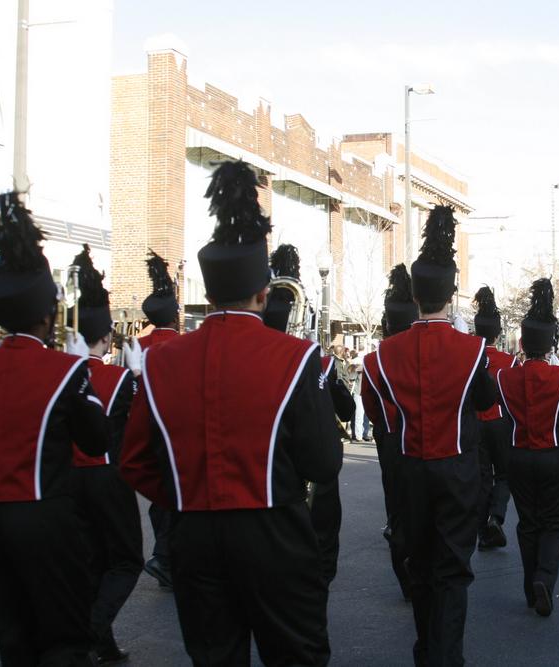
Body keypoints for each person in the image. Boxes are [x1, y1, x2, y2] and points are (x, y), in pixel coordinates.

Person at [120, 161, 341, 665]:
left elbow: (134, 461)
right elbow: (324, 464)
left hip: (193, 536)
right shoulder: (294, 357)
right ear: (264, 292)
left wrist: (187, 494)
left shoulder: (158, 361)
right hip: (274, 534)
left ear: (208, 292)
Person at [0, 192, 110, 665]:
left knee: (14, 638)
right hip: (42, 516)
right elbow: (96, 439)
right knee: (64, 637)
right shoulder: (66, 370)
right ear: (46, 314)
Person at [375, 205, 496, 666]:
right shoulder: (472, 350)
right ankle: (443, 657)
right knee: (451, 573)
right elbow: (485, 401)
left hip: (409, 472)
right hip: (457, 471)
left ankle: (427, 650)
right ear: (450, 294)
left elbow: (378, 410)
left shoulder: (382, 355)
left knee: (421, 568)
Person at [68, 245, 143, 665]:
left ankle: (104, 641)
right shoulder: (117, 378)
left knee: (92, 560)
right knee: (127, 560)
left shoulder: (59, 372)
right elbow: (143, 416)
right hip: (106, 476)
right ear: (105, 339)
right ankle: (92, 631)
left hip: (65, 481)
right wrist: (137, 373)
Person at [496, 278, 559, 616]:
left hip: (519, 457)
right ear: (550, 345)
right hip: (556, 457)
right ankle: (544, 579)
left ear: (522, 342)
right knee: (556, 521)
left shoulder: (505, 377)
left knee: (528, 524)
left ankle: (529, 586)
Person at [264, 243, 349, 587]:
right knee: (321, 539)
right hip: (305, 474)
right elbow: (346, 410)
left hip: (263, 486)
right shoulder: (317, 361)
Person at [361, 263, 419, 601]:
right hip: (419, 436)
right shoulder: (421, 354)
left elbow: (369, 405)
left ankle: (405, 574)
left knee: (396, 505)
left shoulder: (372, 361)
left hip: (389, 438)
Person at [137, 249, 181, 592]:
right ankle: (165, 556)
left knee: (159, 496)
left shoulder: (136, 346)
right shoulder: (181, 346)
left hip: (142, 426)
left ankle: (165, 555)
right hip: (174, 429)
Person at [472, 285, 517, 551]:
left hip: (475, 422)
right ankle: (496, 518)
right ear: (498, 333)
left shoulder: (468, 358)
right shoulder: (509, 361)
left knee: (481, 480)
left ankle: (482, 532)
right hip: (500, 422)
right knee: (504, 474)